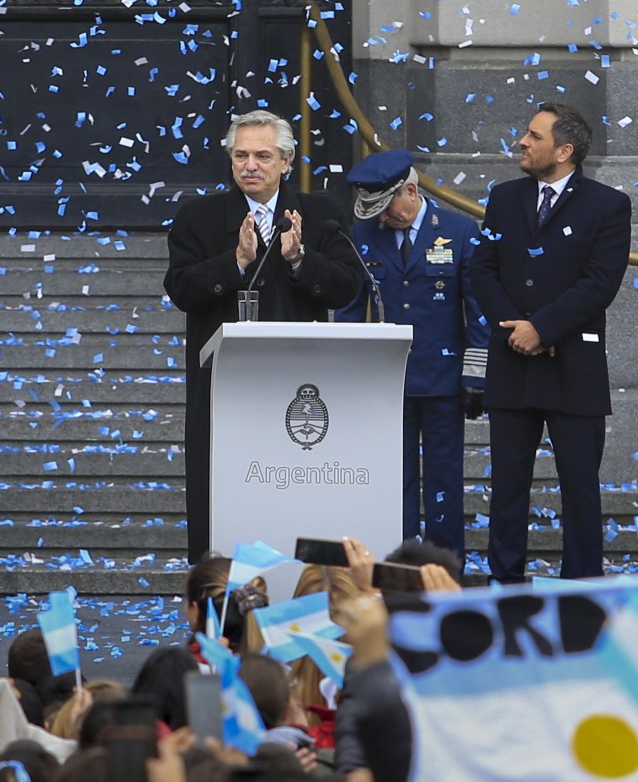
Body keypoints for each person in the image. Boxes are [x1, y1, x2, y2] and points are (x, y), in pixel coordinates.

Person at [163, 110, 364, 563]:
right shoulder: (198, 217)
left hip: (301, 385)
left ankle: (302, 578)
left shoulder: (320, 215)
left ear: (287, 161)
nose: (250, 165)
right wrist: (234, 261)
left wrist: (300, 261)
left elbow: (349, 285)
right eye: (241, 156)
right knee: (223, 493)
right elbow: (180, 288)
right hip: (225, 386)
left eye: (262, 155)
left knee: (295, 488)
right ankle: (218, 590)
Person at [470, 101, 633, 581]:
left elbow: (600, 283)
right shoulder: (503, 197)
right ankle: (505, 585)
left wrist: (543, 328)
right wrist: (515, 330)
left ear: (563, 151)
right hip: (511, 362)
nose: (522, 141)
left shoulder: (607, 205)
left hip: (573, 368)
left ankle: (582, 588)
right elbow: (482, 270)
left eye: (533, 136)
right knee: (507, 487)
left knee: (580, 488)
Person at [336, 150, 489, 557]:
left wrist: (476, 374)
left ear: (410, 190)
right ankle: (399, 572)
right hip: (387, 383)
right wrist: (347, 376)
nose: (382, 219)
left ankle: (445, 574)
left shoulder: (458, 230)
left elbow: (477, 309)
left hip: (443, 380)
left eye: (388, 208)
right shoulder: (363, 234)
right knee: (394, 484)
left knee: (444, 484)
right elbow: (349, 312)